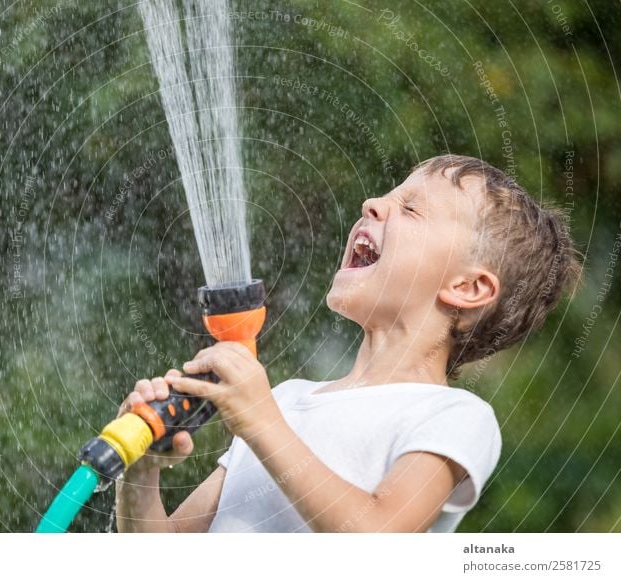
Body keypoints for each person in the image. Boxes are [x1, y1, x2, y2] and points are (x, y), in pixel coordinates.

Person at [114, 154, 583, 533]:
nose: (372, 204)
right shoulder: (287, 400)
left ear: (467, 288)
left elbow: (377, 540)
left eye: (412, 208)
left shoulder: (454, 418)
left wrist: (260, 422)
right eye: (388, 195)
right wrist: (141, 469)